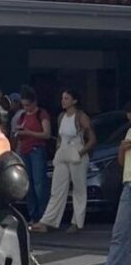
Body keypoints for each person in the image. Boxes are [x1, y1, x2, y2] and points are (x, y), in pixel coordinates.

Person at [32, 89, 96, 234]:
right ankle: (48, 221)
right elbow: (60, 138)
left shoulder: (81, 116)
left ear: (74, 101)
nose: (63, 101)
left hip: (77, 151)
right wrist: (57, 152)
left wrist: (80, 153)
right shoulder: (61, 116)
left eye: (66, 98)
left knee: (79, 189)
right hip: (63, 152)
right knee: (57, 188)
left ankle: (77, 222)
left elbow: (92, 139)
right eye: (62, 98)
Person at [84, 102, 131, 265]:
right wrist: (122, 148)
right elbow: (121, 162)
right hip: (128, 184)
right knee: (120, 231)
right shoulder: (128, 132)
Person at [15, 86, 51, 223]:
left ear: (34, 102)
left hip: (37, 149)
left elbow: (46, 134)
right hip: (25, 150)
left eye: (28, 105)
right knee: (28, 184)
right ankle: (33, 215)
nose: (26, 108)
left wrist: (29, 133)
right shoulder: (23, 116)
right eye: (24, 105)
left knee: (39, 184)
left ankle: (43, 214)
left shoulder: (41, 114)